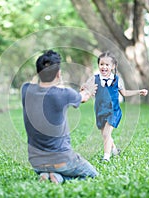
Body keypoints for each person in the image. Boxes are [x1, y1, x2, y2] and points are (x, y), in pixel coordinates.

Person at [21, 50, 98, 184]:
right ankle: (59, 176)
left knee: (51, 170)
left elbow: (47, 91)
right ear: (58, 73)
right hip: (62, 160)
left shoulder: (26, 90)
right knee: (92, 175)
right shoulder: (64, 94)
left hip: (36, 162)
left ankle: (50, 175)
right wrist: (88, 90)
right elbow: (84, 97)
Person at [83, 51, 148, 162]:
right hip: (100, 111)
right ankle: (114, 150)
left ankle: (106, 157)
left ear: (113, 66)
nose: (104, 67)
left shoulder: (116, 80)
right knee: (105, 134)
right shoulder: (94, 78)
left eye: (107, 65)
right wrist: (84, 89)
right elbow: (85, 88)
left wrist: (138, 92)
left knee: (106, 134)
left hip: (113, 111)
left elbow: (125, 93)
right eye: (101, 64)